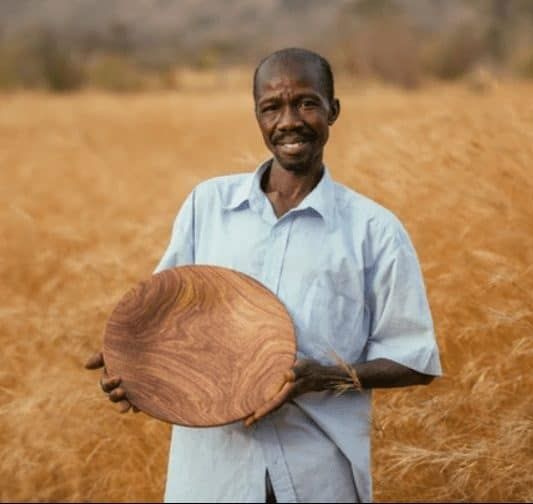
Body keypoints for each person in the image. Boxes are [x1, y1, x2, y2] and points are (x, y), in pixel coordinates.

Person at [86, 47, 442, 503]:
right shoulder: (207, 206)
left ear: (333, 111)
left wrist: (322, 378)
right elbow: (164, 319)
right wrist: (134, 366)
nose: (288, 121)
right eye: (271, 107)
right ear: (256, 115)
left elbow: (414, 361)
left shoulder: (374, 231)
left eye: (306, 103)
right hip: (212, 478)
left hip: (317, 476)